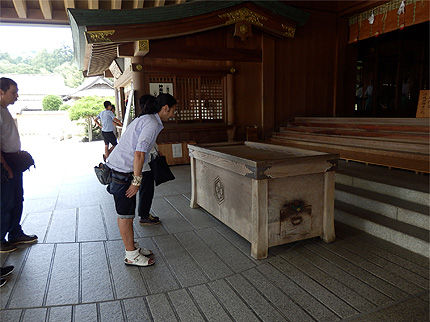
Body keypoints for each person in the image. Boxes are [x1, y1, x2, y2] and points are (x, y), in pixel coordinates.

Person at [106, 93, 177, 266]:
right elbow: (139, 153)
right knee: (125, 215)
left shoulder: (147, 119)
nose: (174, 113)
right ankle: (130, 254)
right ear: (165, 108)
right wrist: (137, 182)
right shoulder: (151, 123)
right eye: (174, 109)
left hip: (121, 169)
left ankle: (132, 247)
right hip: (122, 172)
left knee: (127, 214)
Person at [1, 77, 38, 253]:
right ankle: (1, 239)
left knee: (17, 199)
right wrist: (6, 167)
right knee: (6, 202)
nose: (17, 96)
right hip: (5, 162)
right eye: (13, 92)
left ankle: (15, 233)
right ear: (1, 92)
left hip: (13, 161)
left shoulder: (4, 110)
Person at [137, 95, 160, 226]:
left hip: (143, 163)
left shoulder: (141, 119)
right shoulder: (150, 121)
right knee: (146, 190)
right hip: (145, 163)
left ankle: (144, 214)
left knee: (145, 190)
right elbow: (142, 148)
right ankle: (144, 216)